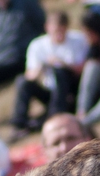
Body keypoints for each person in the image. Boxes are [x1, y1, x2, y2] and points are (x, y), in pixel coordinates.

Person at [9, 11, 89, 141]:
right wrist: (42, 66)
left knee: (59, 71)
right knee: (22, 82)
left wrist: (63, 64)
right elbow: (30, 75)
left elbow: (83, 69)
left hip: (72, 88)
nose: (58, 35)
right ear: (47, 27)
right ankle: (19, 124)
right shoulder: (37, 45)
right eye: (55, 31)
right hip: (50, 90)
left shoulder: (78, 40)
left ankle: (55, 115)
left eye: (61, 31)